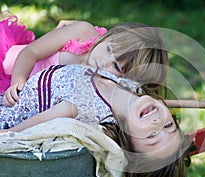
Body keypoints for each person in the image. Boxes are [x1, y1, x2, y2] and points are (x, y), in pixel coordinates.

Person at [0, 63, 194, 177]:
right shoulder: (131, 86)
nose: (157, 122)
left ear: (130, 145)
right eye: (169, 125)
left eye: (152, 136)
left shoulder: (89, 109)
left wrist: (9, 133)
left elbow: (18, 131)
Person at [0, 11, 168, 106]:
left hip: (30, 98)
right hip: (11, 69)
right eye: (109, 49)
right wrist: (18, 81)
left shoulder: (101, 85)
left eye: (116, 66)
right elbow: (31, 52)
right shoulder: (84, 34)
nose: (104, 61)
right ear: (108, 36)